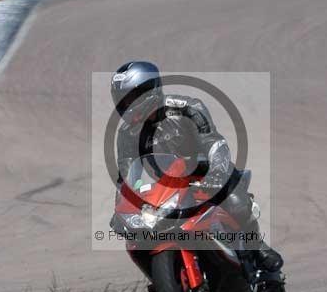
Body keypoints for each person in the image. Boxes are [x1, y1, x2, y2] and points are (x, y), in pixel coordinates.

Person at [109, 60, 283, 272]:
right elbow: (126, 176)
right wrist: (121, 208)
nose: (127, 106)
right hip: (166, 187)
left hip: (206, 173)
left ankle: (258, 248)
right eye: (122, 101)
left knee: (237, 203)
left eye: (131, 98)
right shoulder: (127, 134)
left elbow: (214, 142)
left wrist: (217, 173)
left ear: (150, 90)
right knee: (139, 237)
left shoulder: (188, 108)